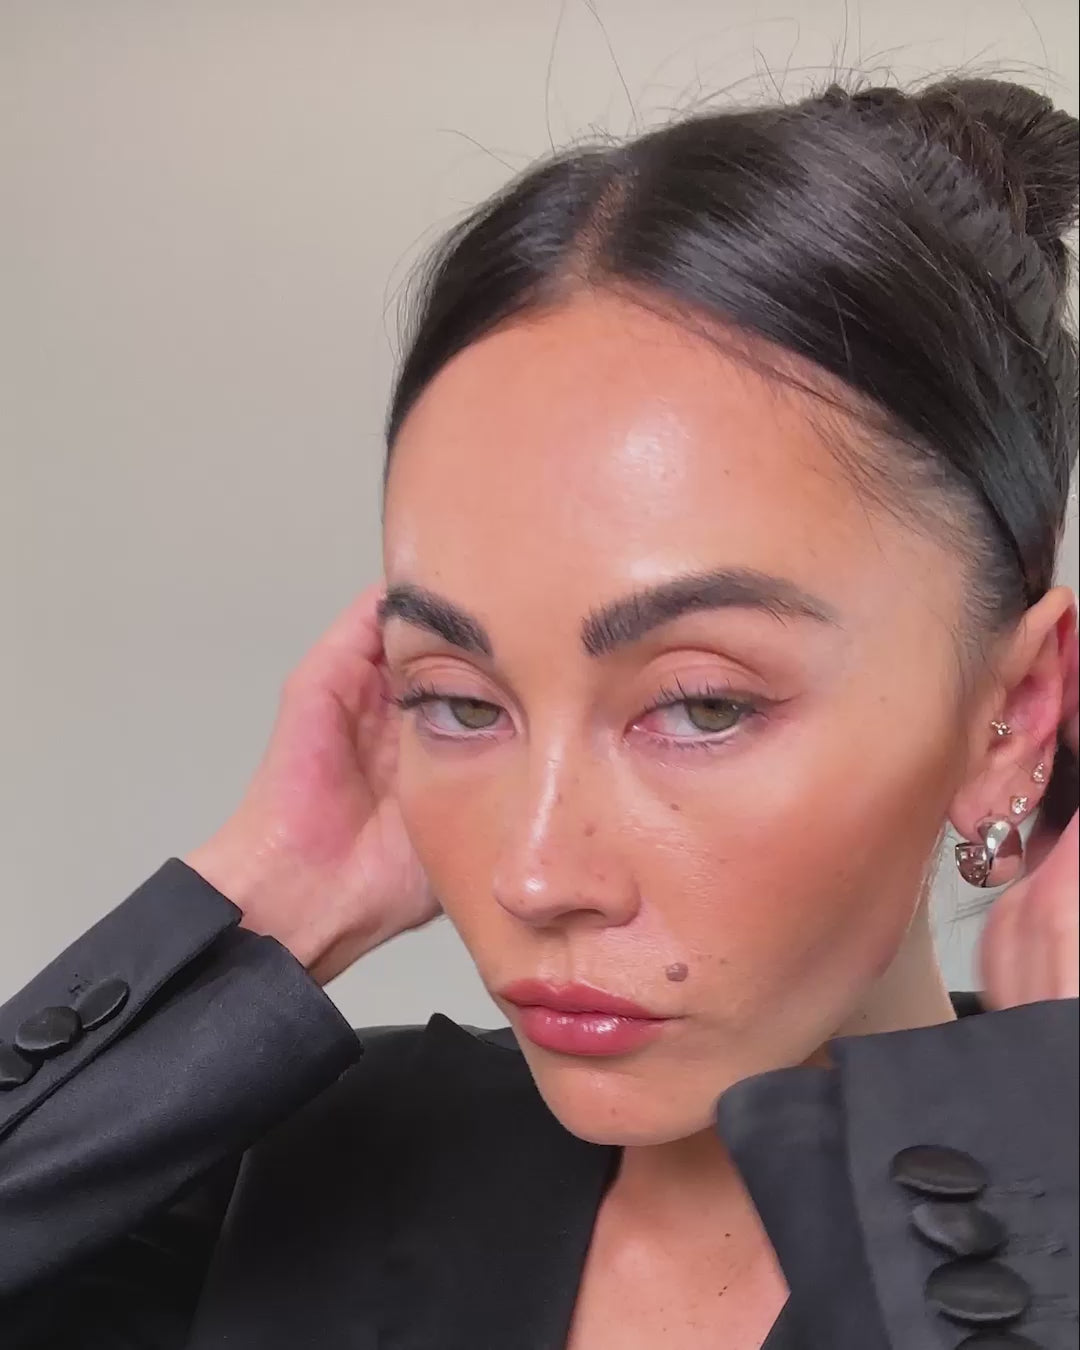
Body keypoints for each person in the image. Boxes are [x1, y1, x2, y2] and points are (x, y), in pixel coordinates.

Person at [2, 75, 1078, 1350]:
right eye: (459, 702)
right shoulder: (296, 1175)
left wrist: (1037, 1158)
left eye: (703, 704)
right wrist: (270, 899)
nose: (534, 875)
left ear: (1016, 711)